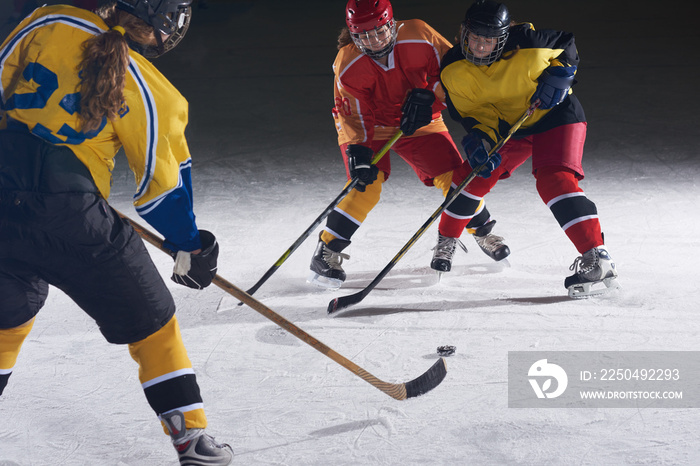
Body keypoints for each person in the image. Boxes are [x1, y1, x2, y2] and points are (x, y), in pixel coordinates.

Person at [0, 1, 233, 464]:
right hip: (73, 219)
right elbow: (161, 192)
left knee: (9, 313)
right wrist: (190, 247)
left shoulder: (46, 19)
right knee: (154, 320)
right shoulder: (151, 88)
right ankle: (191, 438)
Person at [309, 0, 511, 290]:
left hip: (420, 121)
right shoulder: (348, 63)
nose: (373, 41)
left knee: (456, 178)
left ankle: (481, 230)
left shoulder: (420, 34)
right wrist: (359, 150)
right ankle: (326, 250)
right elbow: (353, 114)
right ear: (353, 35)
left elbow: (454, 75)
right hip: (371, 127)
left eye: (379, 32)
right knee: (366, 185)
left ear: (392, 24)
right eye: (364, 36)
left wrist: (431, 98)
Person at [440, 0, 619, 297]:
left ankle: (596, 257)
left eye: (489, 40)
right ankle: (445, 241)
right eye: (475, 38)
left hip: (557, 116)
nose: (481, 47)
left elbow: (566, 44)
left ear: (504, 37)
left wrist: (561, 75)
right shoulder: (452, 68)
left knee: (555, 179)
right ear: (464, 33)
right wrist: (479, 139)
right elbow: (474, 114)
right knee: (471, 175)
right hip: (511, 126)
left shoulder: (529, 43)